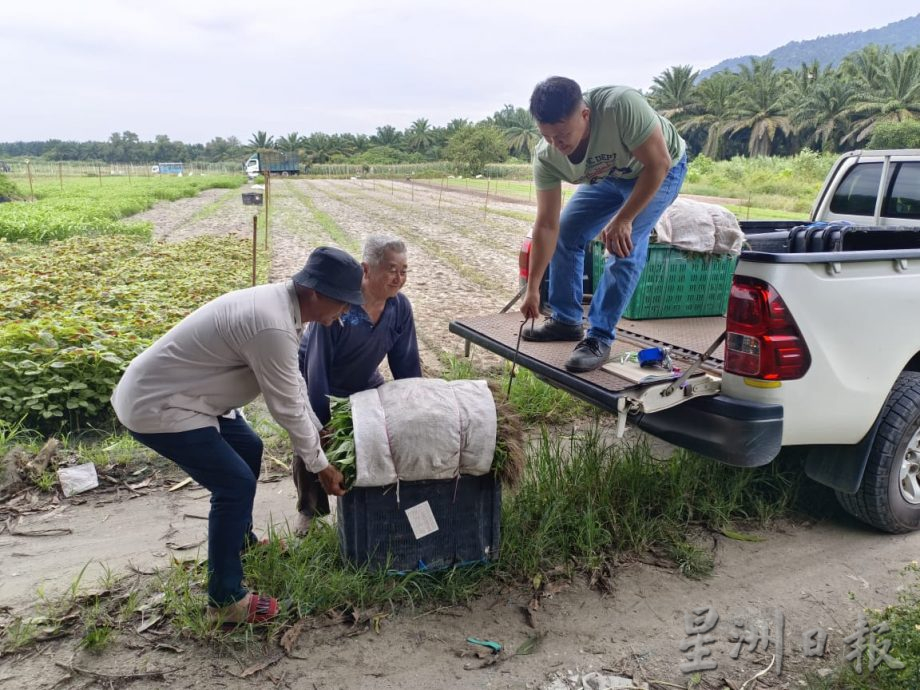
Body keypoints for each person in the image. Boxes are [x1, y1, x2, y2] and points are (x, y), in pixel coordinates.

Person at [110, 246, 364, 627]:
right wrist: (320, 465)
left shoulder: (285, 307)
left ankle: (239, 542)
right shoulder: (272, 325)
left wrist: (318, 428)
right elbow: (285, 408)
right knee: (234, 484)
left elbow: (293, 384)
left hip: (191, 395)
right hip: (160, 404)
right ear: (317, 293)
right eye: (343, 303)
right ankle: (225, 600)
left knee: (249, 446)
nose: (344, 312)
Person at [521, 76, 688, 372]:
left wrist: (624, 219)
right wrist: (533, 287)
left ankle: (599, 336)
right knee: (566, 231)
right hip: (610, 176)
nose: (556, 145)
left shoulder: (620, 106)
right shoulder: (546, 156)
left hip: (660, 168)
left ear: (585, 115)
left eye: (563, 135)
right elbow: (546, 225)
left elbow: (658, 163)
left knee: (623, 243)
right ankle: (566, 320)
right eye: (547, 136)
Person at [292, 234, 421, 534]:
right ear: (366, 269)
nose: (399, 278)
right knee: (310, 436)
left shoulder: (400, 308)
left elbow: (406, 364)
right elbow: (316, 370)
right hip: (319, 382)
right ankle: (309, 512)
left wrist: (414, 405)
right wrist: (321, 423)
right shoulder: (340, 307)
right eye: (391, 269)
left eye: (404, 270)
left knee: (384, 431)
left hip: (364, 381)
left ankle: (374, 501)